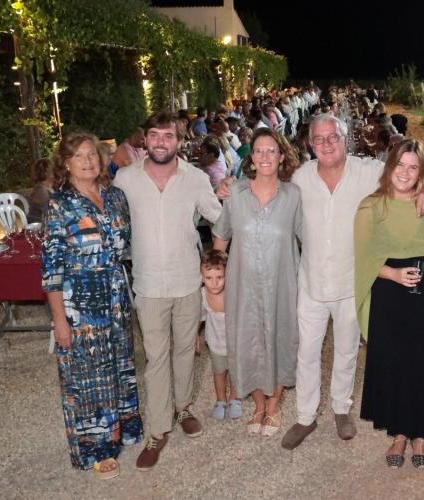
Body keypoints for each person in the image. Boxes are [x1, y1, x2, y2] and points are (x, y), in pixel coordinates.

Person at [278, 113, 424, 450]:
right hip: (311, 281)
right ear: (310, 143)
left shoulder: (368, 172)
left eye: (333, 137)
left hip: (352, 281)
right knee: (306, 352)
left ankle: (341, 408)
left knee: (347, 349)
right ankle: (306, 416)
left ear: (346, 139)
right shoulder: (301, 177)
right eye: (319, 138)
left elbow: (408, 174)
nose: (326, 144)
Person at [113, 110, 222, 470]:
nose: (161, 142)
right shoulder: (126, 179)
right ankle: (158, 429)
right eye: (155, 135)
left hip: (187, 280)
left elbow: (219, 218)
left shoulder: (196, 178)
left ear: (179, 140)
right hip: (147, 285)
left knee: (185, 351)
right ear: (145, 139)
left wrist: (235, 194)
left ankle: (183, 407)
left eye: (168, 136)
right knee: (156, 357)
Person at [42, 130, 143, 479]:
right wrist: (59, 320)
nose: (88, 161)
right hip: (80, 304)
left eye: (92, 154)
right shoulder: (59, 205)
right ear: (66, 163)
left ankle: (122, 429)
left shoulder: (115, 196)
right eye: (79, 156)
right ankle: (97, 447)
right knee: (88, 377)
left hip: (115, 296)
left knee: (118, 364)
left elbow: (127, 247)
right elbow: (51, 270)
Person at [355, 139, 424, 470]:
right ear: (389, 166)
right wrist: (393, 274)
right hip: (389, 292)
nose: (405, 172)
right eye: (400, 164)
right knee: (396, 362)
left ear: (422, 172)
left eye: (413, 167)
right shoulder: (371, 206)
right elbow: (363, 255)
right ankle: (400, 432)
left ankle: (422, 435)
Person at [213, 128, 302, 438]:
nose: (265, 156)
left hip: (281, 286)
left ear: (281, 157)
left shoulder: (293, 196)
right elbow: (221, 237)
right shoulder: (235, 193)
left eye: (271, 151)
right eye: (259, 150)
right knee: (247, 343)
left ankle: (274, 405)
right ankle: (259, 405)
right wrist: (213, 281)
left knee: (280, 340)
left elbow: (307, 238)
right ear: (251, 157)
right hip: (243, 288)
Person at [199, 249, 242, 421]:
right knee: (219, 372)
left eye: (220, 277)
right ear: (202, 277)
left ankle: (234, 398)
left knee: (236, 372)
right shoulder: (203, 295)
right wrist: (195, 335)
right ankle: (221, 400)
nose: (215, 283)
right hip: (215, 342)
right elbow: (200, 317)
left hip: (236, 343)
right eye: (209, 278)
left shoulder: (233, 294)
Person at [28, 158, 54, 223]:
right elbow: (50, 212)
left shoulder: (49, 187)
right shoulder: (41, 191)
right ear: (47, 173)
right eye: (53, 170)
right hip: (38, 225)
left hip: (47, 221)